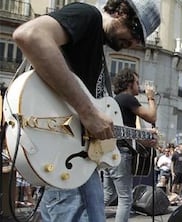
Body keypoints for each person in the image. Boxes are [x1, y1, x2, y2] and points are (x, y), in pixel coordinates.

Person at [12, 0, 160, 221]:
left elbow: (96, 124)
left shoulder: (95, 51)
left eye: (140, 40)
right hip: (64, 161)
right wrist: (88, 112)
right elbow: (30, 35)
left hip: (71, 163)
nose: (134, 43)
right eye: (136, 31)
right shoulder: (89, 16)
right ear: (120, 10)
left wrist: (139, 137)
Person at [103, 67, 157, 222]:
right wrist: (151, 98)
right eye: (136, 82)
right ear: (129, 83)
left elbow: (127, 130)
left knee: (108, 194)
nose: (138, 85)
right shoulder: (128, 98)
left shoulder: (115, 100)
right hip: (121, 154)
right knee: (125, 199)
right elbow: (152, 117)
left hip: (109, 151)